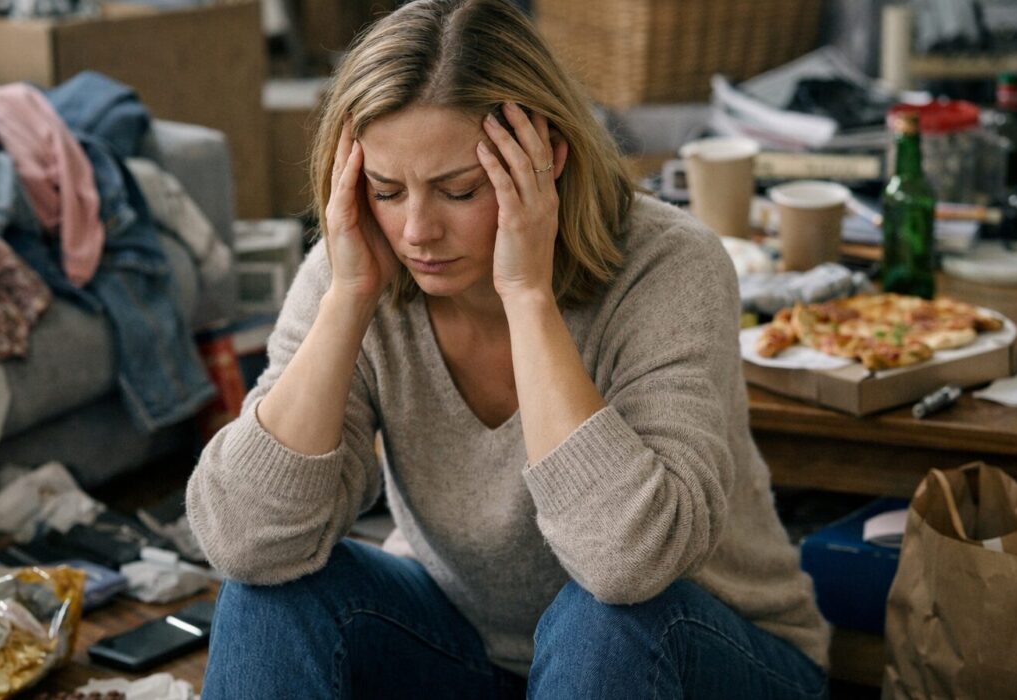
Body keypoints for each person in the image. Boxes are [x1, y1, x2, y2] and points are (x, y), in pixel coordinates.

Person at [187, 0, 830, 697]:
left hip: (702, 648)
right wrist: (346, 302)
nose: (417, 231)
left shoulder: (671, 266)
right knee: (268, 593)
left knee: (601, 621)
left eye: (458, 190)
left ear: (546, 158)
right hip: (474, 648)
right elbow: (241, 542)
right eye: (387, 190)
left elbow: (627, 565)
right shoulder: (359, 267)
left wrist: (527, 295)